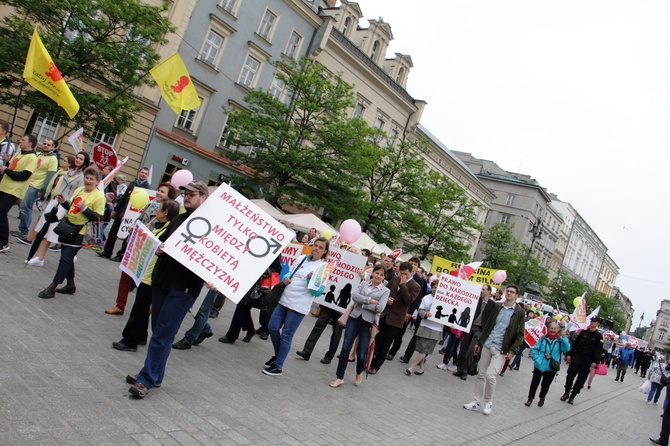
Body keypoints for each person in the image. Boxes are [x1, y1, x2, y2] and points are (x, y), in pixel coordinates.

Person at [127, 180, 209, 398]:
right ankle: (156, 374)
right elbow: (161, 242)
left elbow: (214, 259)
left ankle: (146, 378)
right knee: (159, 331)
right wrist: (158, 247)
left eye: (193, 194)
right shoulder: (179, 218)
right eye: (186, 193)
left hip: (183, 289)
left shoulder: (211, 226)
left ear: (204, 198)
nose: (188, 196)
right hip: (162, 281)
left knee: (163, 333)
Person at [111, 199, 181, 352]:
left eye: (159, 208)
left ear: (165, 213)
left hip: (151, 276)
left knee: (139, 308)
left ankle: (129, 341)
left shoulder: (168, 229)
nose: (156, 210)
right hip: (148, 273)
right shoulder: (160, 226)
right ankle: (141, 335)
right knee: (142, 308)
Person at [104, 181, 178, 315]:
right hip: (137, 245)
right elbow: (139, 220)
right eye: (158, 190)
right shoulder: (150, 205)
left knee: (143, 284)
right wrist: (134, 227)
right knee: (125, 275)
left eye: (162, 192)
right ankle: (120, 305)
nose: (158, 193)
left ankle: (147, 308)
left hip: (148, 251)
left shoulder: (168, 217)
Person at [263, 237, 329, 377]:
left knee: (287, 335)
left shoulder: (323, 268)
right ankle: (278, 355)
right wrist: (286, 278)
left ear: (325, 251)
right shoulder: (302, 258)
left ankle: (278, 366)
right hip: (285, 298)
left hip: (299, 305)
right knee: (273, 327)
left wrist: (310, 280)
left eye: (320, 247)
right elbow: (290, 272)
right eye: (315, 245)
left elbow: (316, 292)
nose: (316, 248)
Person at [37, 166, 105, 299]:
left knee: (66, 258)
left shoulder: (99, 197)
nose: (88, 181)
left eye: (92, 179)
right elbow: (72, 206)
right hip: (67, 227)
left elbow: (99, 218)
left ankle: (52, 287)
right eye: (87, 178)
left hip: (80, 231)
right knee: (66, 256)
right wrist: (63, 202)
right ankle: (70, 285)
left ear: (97, 181)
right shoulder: (79, 190)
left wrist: (85, 209)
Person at [463, 284, 525, 416]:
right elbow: (489, 324)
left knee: (490, 375)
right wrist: (480, 341)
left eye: (512, 292)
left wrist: (513, 350)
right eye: (507, 291)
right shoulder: (498, 306)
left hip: (501, 348)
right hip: (488, 342)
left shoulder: (519, 312)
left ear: (516, 296)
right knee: (481, 373)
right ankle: (476, 401)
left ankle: (488, 402)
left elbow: (520, 334)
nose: (509, 293)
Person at [22, 152, 88, 266]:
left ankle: (70, 255)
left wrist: (69, 205)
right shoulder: (68, 171)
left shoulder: (82, 177)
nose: (77, 160)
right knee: (45, 230)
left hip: (65, 205)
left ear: (84, 162)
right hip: (55, 201)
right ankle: (40, 257)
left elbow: (79, 194)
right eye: (77, 157)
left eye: (81, 159)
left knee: (57, 233)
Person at [329, 264, 389, 388]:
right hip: (354, 317)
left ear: (384, 277)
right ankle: (339, 377)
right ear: (372, 273)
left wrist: (362, 303)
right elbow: (354, 296)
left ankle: (359, 372)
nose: (378, 276)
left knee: (362, 353)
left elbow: (380, 308)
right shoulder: (364, 283)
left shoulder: (385, 290)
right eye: (377, 273)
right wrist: (370, 301)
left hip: (367, 323)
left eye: (381, 274)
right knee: (345, 348)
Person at [367, 261, 420, 375]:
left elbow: (408, 300)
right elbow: (385, 290)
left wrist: (403, 285)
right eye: (401, 273)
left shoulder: (416, 286)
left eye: (405, 273)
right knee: (377, 340)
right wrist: (387, 299)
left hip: (396, 318)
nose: (402, 276)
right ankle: (369, 361)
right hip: (385, 313)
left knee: (386, 344)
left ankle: (376, 366)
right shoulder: (395, 278)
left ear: (411, 272)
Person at [98, 166, 150, 260]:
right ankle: (107, 252)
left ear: (148, 175)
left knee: (125, 236)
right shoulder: (133, 183)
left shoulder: (148, 188)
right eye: (142, 172)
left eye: (146, 173)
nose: (143, 174)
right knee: (113, 232)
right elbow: (124, 197)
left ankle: (120, 256)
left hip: (132, 215)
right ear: (139, 172)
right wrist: (116, 210)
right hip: (122, 212)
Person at [0, 134, 38, 253]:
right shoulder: (19, 153)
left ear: (30, 143)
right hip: (4, 186)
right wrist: (8, 162)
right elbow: (13, 168)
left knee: (2, 213)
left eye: (23, 140)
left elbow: (24, 175)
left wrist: (6, 170)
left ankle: (3, 242)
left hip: (14, 189)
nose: (20, 141)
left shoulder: (32, 157)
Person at [14, 138, 57, 237]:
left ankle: (23, 230)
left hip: (36, 185)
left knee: (26, 206)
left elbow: (50, 176)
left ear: (53, 147)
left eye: (48, 144)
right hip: (28, 182)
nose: (45, 145)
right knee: (22, 204)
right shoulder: (38, 154)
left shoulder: (53, 159)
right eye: (44, 143)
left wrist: (43, 190)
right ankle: (22, 226)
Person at [453, 284, 496, 381]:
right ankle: (459, 369)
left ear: (489, 292)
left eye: (484, 289)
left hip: (480, 329)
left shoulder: (492, 305)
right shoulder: (476, 300)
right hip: (470, 326)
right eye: (482, 289)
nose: (482, 291)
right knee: (464, 348)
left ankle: (465, 371)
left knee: (471, 350)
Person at [524, 321, 570, 407]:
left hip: (551, 367)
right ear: (548, 329)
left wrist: (564, 338)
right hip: (540, 364)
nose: (553, 330)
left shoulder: (560, 340)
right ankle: (530, 398)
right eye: (551, 328)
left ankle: (542, 398)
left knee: (545, 385)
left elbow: (566, 349)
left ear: (557, 330)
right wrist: (536, 358)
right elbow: (535, 349)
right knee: (534, 383)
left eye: (555, 329)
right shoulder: (543, 338)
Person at [560, 316, 604, 404]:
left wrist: (595, 361)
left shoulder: (599, 336)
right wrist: (569, 354)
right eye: (592, 320)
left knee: (581, 379)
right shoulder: (583, 332)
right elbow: (575, 344)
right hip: (577, 357)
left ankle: (573, 395)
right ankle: (566, 392)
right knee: (570, 375)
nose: (592, 322)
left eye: (595, 321)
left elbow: (598, 350)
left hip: (587, 360)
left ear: (598, 324)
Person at [404, 277, 442, 376]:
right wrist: (425, 314)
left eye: (437, 287)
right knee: (421, 349)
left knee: (425, 349)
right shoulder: (426, 298)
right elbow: (421, 310)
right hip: (425, 325)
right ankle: (422, 368)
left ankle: (412, 367)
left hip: (436, 328)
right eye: (433, 287)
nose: (434, 289)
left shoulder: (445, 302)